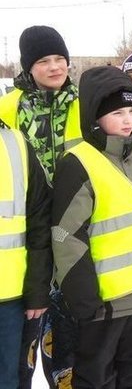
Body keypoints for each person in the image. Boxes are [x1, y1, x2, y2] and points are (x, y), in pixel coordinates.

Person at [51, 66, 132, 388]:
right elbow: (65, 235)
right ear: (95, 116)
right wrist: (82, 294)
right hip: (103, 302)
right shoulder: (78, 163)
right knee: (96, 376)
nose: (127, 119)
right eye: (118, 112)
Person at [0, 25, 81, 389]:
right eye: (44, 60)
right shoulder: (8, 107)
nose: (54, 67)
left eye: (60, 59)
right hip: (28, 238)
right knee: (23, 347)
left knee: (67, 339)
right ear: (28, 66)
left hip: (73, 229)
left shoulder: (84, 101)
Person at [0, 124, 52, 389]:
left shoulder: (16, 144)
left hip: (10, 298)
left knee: (9, 379)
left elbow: (40, 224)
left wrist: (37, 289)